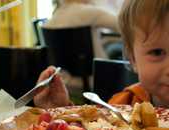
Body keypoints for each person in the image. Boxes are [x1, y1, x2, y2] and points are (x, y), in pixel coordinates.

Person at [34, 0, 169, 108]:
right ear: (132, 58)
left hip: (68, 78)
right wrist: (59, 111)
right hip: (89, 77)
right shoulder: (122, 106)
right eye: (157, 52)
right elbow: (120, 25)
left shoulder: (55, 15)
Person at [44, 0, 118, 58]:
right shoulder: (90, 11)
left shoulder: (54, 17)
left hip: (62, 75)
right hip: (95, 72)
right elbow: (123, 26)